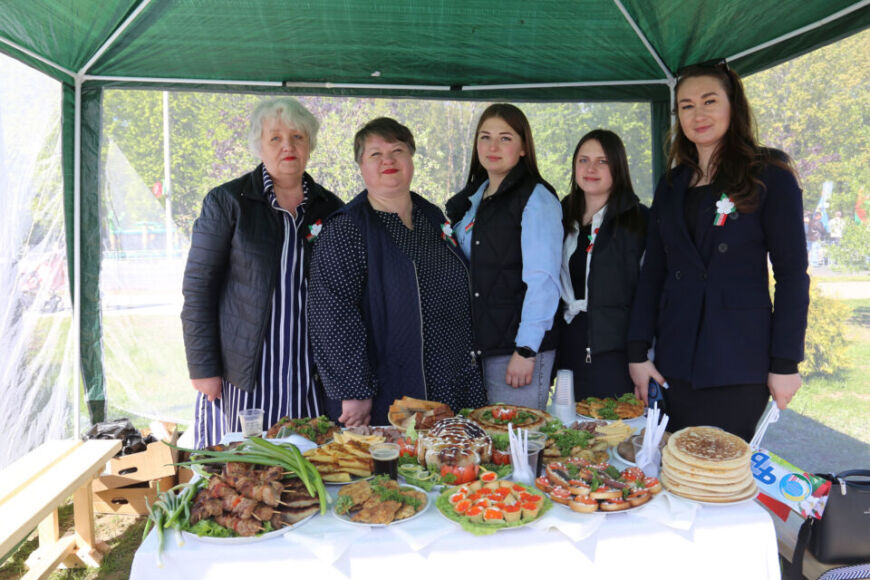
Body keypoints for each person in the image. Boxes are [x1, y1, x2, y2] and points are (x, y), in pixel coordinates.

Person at [627, 60, 810, 442]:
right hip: (674, 360)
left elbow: (792, 274)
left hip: (737, 360)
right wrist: (638, 353)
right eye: (687, 106)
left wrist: (785, 362)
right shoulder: (671, 184)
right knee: (674, 463)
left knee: (722, 469)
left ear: (733, 105)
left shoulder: (769, 175)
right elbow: (653, 273)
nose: (698, 115)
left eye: (709, 101)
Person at [181, 97, 344, 448]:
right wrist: (203, 368)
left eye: (298, 137)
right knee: (247, 462)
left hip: (307, 371)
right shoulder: (227, 202)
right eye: (276, 138)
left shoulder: (331, 208)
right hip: (245, 375)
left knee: (307, 461)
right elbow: (198, 290)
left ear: (310, 145)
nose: (288, 146)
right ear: (259, 145)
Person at [308, 117, 485, 426]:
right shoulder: (346, 229)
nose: (388, 160)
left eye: (397, 151)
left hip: (452, 383)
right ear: (361, 166)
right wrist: (353, 390)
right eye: (375, 154)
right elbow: (332, 314)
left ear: (411, 159)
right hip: (390, 391)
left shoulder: (431, 217)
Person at [445, 104, 562, 410]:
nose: (492, 147)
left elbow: (544, 280)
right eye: (485, 137)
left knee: (516, 437)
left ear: (523, 148)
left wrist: (526, 350)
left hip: (516, 350)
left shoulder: (536, 198)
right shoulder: (472, 200)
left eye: (505, 138)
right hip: (477, 348)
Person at [556, 130, 648, 400]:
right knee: (567, 423)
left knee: (614, 423)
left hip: (616, 352)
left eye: (602, 161)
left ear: (618, 166)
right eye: (583, 160)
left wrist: (640, 353)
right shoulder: (560, 215)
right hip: (567, 346)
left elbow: (648, 294)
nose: (591, 169)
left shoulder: (639, 220)